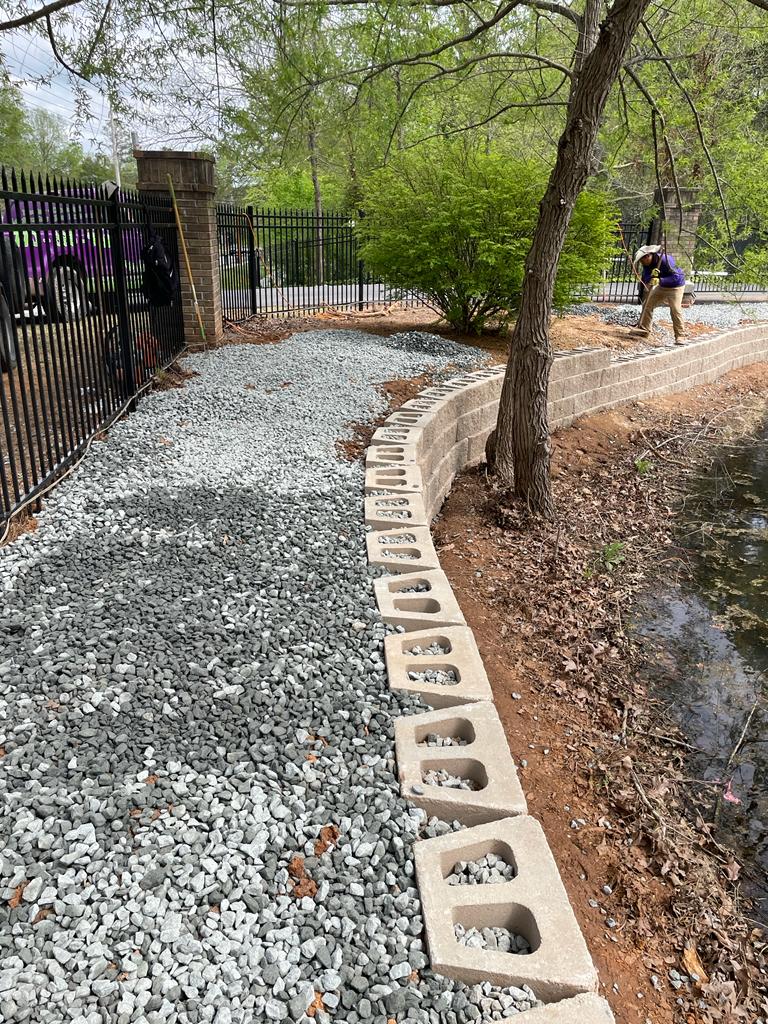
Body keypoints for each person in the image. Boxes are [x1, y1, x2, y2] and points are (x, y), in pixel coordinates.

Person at [629, 244, 687, 344]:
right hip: (662, 287)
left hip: (676, 287)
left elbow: (677, 277)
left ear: (648, 256)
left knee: (675, 310)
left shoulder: (666, 260)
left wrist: (660, 280)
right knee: (647, 305)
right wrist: (652, 276)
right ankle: (644, 330)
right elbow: (646, 277)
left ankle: (680, 336)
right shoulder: (647, 264)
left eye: (642, 260)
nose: (641, 263)